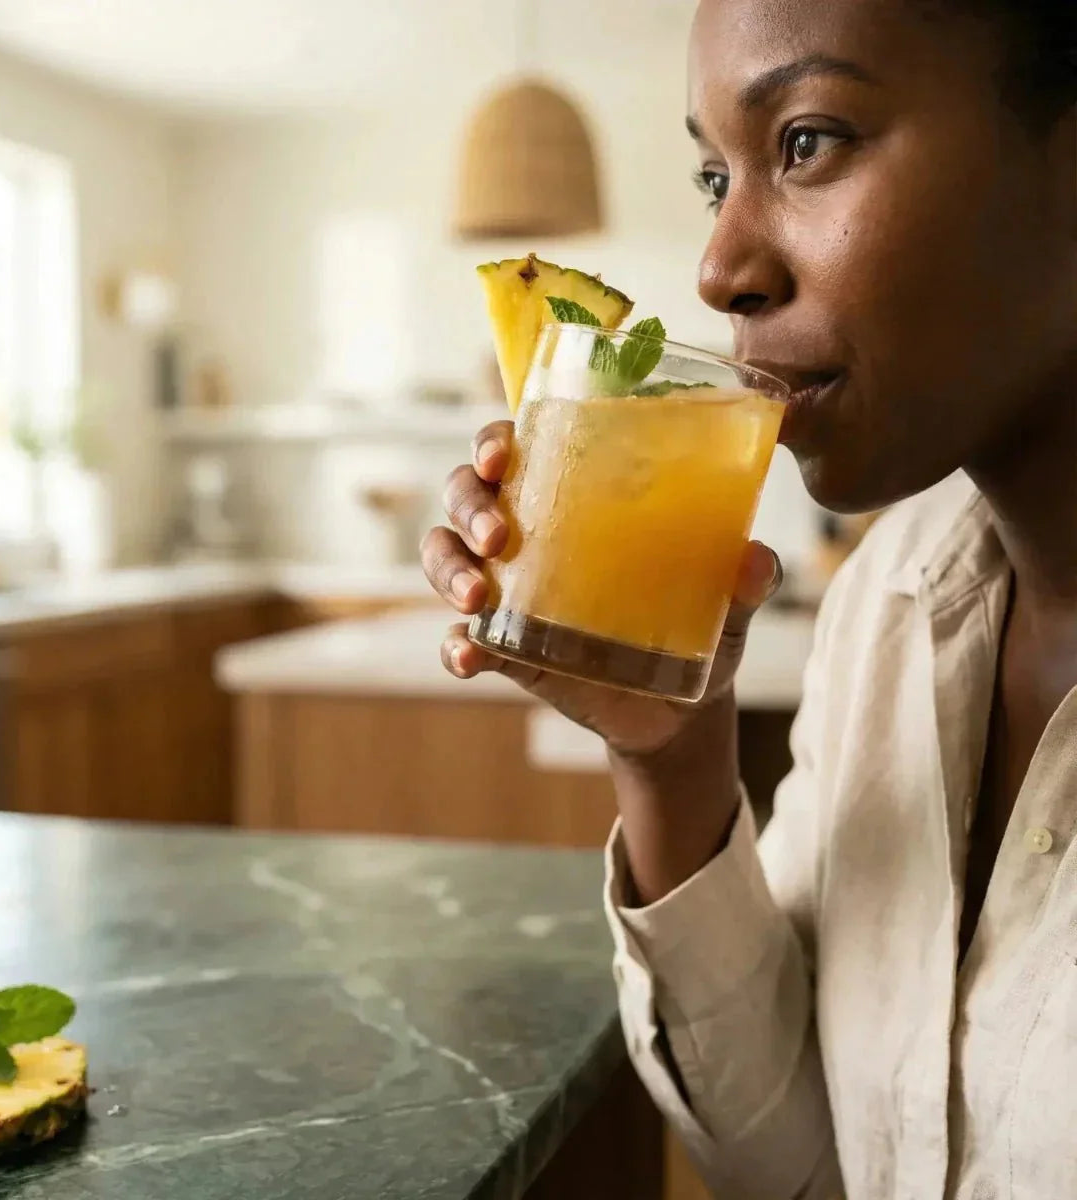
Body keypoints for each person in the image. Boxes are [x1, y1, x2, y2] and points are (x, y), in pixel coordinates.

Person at [420, 0, 1077, 1195]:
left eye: (808, 141)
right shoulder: (885, 600)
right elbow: (803, 1168)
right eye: (714, 174)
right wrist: (669, 755)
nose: (720, 268)